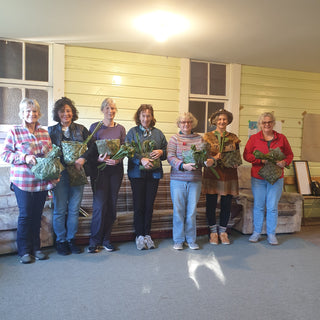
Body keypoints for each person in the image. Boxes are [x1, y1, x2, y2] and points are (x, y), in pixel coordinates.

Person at [1, 98, 58, 264]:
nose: (31, 114)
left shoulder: (44, 132)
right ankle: (24, 251)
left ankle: (36, 248)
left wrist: (54, 172)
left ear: (39, 113)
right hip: (22, 182)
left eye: (34, 111)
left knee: (37, 215)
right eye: (27, 111)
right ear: (22, 113)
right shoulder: (15, 131)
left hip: (41, 182)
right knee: (26, 215)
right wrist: (24, 157)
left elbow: (49, 155)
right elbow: (5, 154)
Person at [49, 97, 91, 255]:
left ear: (73, 112)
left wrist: (83, 158)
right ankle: (60, 240)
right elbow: (47, 153)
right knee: (59, 210)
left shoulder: (81, 129)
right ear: (57, 113)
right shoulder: (51, 131)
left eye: (68, 110)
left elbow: (92, 147)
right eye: (62, 111)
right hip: (59, 175)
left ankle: (71, 239)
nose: (65, 114)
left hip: (78, 174)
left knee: (74, 209)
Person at [243, 112, 293, 245]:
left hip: (276, 178)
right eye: (264, 122)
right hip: (258, 178)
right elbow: (246, 155)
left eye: (269, 122)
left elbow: (289, 154)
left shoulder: (281, 138)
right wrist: (260, 160)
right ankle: (256, 232)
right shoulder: (254, 138)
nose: (267, 125)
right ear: (260, 124)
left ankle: (271, 234)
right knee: (259, 206)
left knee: (272, 207)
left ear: (273, 123)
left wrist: (285, 162)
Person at [167, 112, 214, 250]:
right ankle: (178, 240)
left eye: (188, 122)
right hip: (177, 180)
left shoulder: (199, 139)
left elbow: (205, 157)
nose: (186, 124)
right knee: (178, 210)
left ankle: (191, 239)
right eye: (183, 122)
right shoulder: (174, 139)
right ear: (179, 124)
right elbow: (170, 157)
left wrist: (209, 161)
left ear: (192, 123)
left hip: (195, 180)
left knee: (192, 211)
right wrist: (182, 165)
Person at [86, 98, 126, 253]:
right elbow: (90, 150)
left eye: (113, 108)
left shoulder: (121, 129)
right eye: (108, 108)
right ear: (102, 110)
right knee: (99, 206)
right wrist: (97, 159)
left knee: (111, 205)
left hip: (116, 171)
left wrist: (118, 160)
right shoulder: (95, 128)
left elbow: (124, 150)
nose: (111, 111)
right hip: (99, 171)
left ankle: (107, 239)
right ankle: (94, 240)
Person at [126, 104, 167, 250]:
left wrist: (162, 152)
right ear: (139, 117)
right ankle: (139, 236)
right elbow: (128, 151)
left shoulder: (158, 133)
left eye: (148, 115)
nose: (146, 118)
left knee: (149, 205)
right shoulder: (132, 132)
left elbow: (167, 152)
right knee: (139, 206)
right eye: (143, 115)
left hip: (153, 174)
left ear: (152, 117)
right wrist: (140, 160)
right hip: (137, 174)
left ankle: (147, 234)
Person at [202, 109, 241, 245]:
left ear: (228, 121)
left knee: (226, 203)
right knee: (211, 204)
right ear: (214, 121)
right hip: (212, 173)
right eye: (219, 119)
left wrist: (236, 163)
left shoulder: (233, 137)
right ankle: (213, 232)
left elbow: (237, 156)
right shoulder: (207, 136)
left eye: (224, 119)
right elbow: (203, 156)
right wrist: (213, 157)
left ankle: (223, 232)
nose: (222, 122)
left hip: (228, 174)